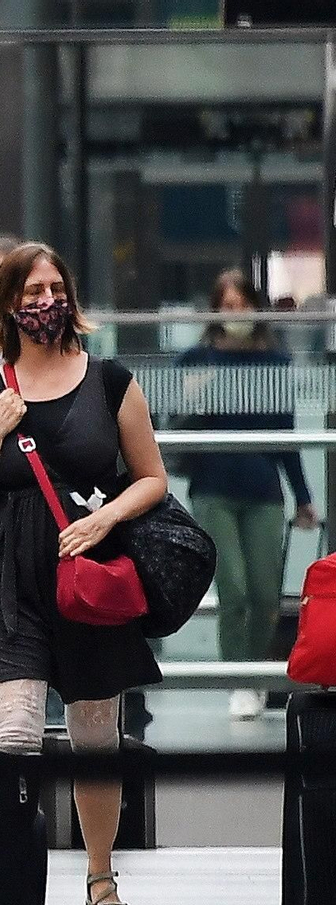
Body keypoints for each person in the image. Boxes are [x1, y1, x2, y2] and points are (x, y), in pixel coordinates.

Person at [0, 242, 167, 905]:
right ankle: (7, 869)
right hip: (6, 577)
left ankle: (100, 875)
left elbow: (152, 476)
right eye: (31, 289)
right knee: (13, 730)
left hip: (92, 577)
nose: (46, 300)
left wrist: (104, 517)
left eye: (55, 286)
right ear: (7, 305)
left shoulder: (110, 382)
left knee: (95, 733)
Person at [176, 269, 318, 721]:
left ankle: (255, 675)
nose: (235, 315)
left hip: (263, 490)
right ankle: (239, 677)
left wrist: (303, 496)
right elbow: (166, 418)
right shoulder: (195, 358)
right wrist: (190, 396)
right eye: (228, 306)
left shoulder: (274, 362)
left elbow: (285, 435)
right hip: (214, 488)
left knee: (264, 591)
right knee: (232, 587)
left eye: (243, 305)